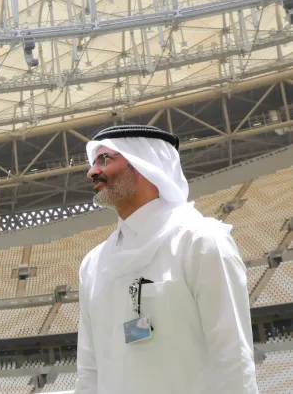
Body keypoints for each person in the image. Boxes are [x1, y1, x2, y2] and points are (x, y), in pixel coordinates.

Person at [75, 125, 258, 394]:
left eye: (105, 159)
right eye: (93, 163)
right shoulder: (92, 264)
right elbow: (89, 370)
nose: (93, 172)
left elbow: (232, 354)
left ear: (144, 164)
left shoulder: (199, 241)